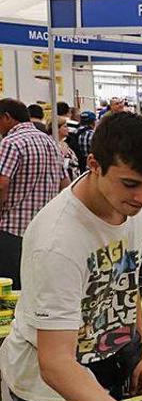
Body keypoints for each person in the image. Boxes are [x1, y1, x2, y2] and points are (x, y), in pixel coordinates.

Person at [0, 111, 142, 401]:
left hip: (113, 366)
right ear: (94, 165)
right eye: (131, 184)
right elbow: (55, 363)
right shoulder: (58, 240)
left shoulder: (138, 202)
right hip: (52, 393)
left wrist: (139, 351)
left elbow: (126, 278)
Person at [0, 98, 68, 288]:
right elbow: (65, 184)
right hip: (44, 231)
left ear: (6, 117)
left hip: (12, 231)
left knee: (9, 290)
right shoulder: (51, 143)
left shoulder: (10, 143)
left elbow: (1, 185)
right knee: (35, 288)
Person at [55, 117, 80, 181]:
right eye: (65, 126)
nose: (68, 129)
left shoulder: (64, 143)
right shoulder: (54, 144)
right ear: (57, 129)